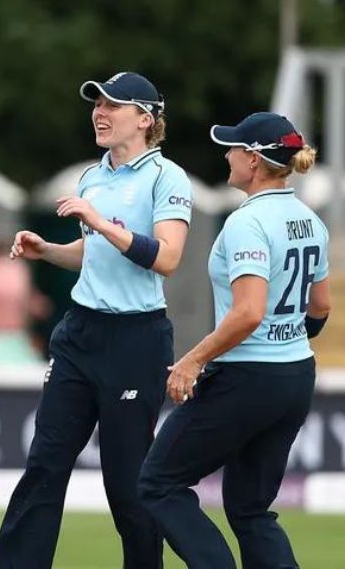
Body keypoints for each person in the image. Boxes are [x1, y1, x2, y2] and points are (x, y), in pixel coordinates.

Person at [0, 71, 193, 569]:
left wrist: (102, 222)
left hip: (135, 338)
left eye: (113, 106)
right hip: (81, 333)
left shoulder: (166, 177)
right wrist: (49, 251)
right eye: (96, 104)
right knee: (44, 466)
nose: (99, 113)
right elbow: (95, 253)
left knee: (127, 483)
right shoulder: (93, 176)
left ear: (145, 119)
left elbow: (167, 257)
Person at [138, 113, 330, 568]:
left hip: (248, 376)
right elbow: (319, 307)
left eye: (234, 148)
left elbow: (248, 312)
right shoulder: (310, 220)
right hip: (295, 376)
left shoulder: (247, 223)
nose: (227, 154)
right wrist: (286, 342)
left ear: (255, 160)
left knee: (158, 484)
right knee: (250, 509)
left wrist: (192, 360)